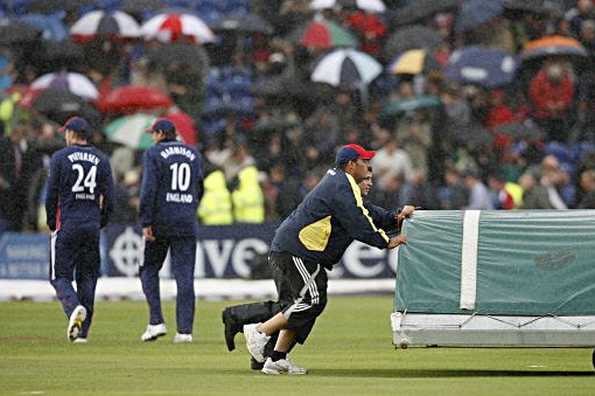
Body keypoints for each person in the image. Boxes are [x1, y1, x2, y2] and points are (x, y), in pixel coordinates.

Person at [235, 144, 411, 375]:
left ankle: (277, 358)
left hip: (297, 249)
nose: (368, 168)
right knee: (312, 302)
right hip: (298, 249)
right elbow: (360, 222)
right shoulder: (342, 185)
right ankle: (259, 331)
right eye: (364, 162)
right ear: (351, 165)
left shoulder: (340, 183)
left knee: (304, 305)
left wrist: (397, 217)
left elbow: (368, 214)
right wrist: (386, 241)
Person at [46, 116, 114, 342]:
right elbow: (110, 198)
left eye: (66, 132)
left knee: (60, 276)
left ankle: (74, 308)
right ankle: (82, 333)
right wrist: (100, 221)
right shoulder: (102, 159)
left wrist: (50, 222)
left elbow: (51, 195)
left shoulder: (59, 158)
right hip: (91, 225)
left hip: (67, 223)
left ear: (72, 134)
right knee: (87, 277)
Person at [139, 118, 204, 343]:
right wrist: (189, 208)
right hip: (186, 220)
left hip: (160, 221)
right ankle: (184, 331)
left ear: (159, 134)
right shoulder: (193, 153)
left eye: (152, 134)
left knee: (149, 269)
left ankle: (156, 322)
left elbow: (148, 189)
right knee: (184, 275)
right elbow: (200, 187)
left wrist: (145, 221)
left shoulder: (153, 154)